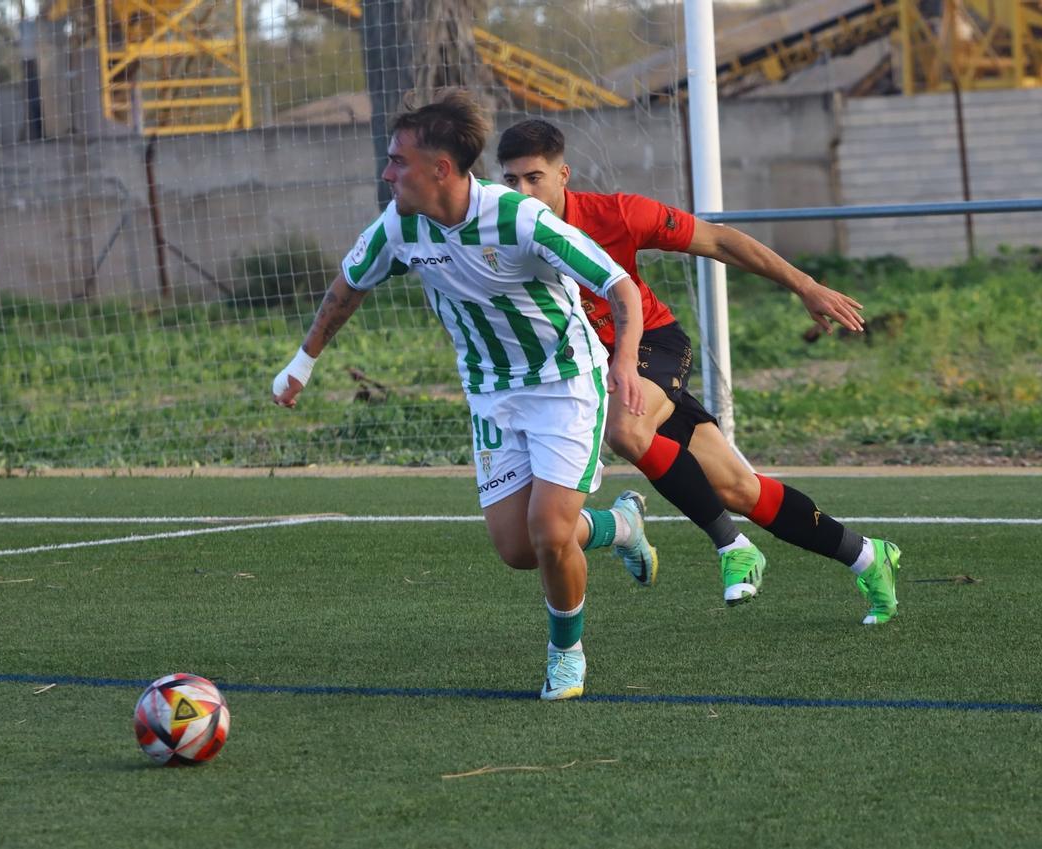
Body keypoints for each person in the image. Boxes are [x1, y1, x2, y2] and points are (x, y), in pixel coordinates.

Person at [273, 91, 655, 701]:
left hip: (564, 385)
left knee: (549, 531)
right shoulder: (399, 224)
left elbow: (617, 285)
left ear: (441, 170)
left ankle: (566, 655)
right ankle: (620, 526)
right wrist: (302, 362)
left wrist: (626, 362)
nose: (387, 171)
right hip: (490, 397)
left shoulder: (518, 218)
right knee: (517, 548)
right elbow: (348, 286)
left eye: (398, 160)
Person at [495, 118, 901, 625]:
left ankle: (732, 547)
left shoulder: (617, 214)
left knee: (625, 427)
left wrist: (805, 285)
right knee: (738, 488)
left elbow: (720, 241)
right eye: (511, 181)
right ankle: (867, 555)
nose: (523, 191)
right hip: (588, 369)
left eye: (535, 177)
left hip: (651, 347)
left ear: (564, 175)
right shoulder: (496, 231)